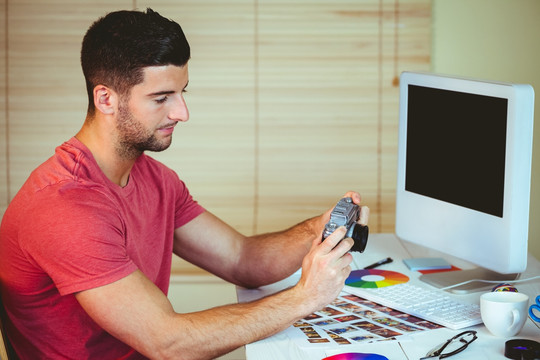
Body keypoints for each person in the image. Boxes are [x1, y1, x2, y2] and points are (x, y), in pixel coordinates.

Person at [0, 8, 369, 360]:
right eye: (161, 98)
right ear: (106, 99)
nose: (182, 113)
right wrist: (305, 297)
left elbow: (243, 260)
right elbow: (168, 343)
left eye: (182, 93)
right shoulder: (64, 207)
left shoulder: (155, 179)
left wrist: (318, 230)